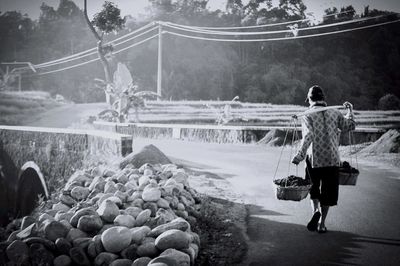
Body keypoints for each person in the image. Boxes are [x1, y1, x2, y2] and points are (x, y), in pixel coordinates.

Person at [292, 85, 355, 233]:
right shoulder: (335, 112)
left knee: (314, 188)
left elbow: (308, 136)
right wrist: (350, 111)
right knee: (328, 192)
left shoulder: (308, 114)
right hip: (332, 159)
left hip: (314, 159)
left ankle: (315, 212)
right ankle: (322, 224)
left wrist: (299, 155)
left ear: (310, 99)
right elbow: (349, 125)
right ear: (323, 99)